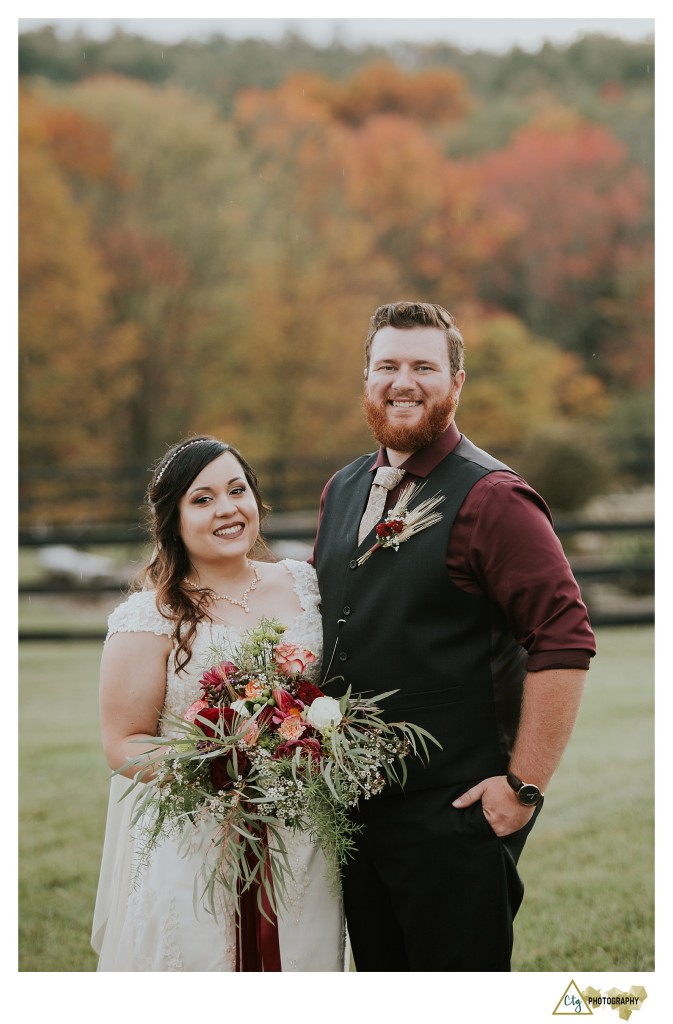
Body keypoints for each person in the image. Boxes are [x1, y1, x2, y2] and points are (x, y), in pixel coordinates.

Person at [312, 301, 596, 972]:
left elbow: (564, 639)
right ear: (366, 378)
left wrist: (523, 788)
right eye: (387, 366)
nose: (402, 382)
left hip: (455, 814)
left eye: (423, 367)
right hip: (355, 817)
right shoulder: (342, 489)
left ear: (456, 382)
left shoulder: (494, 498)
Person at [91, 435, 345, 972]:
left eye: (237, 490)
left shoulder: (306, 583)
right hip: (197, 840)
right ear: (174, 519)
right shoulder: (148, 618)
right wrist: (219, 763)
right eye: (202, 499)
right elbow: (124, 744)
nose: (226, 509)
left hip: (304, 837)